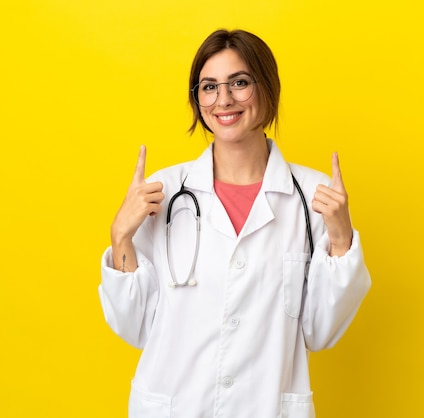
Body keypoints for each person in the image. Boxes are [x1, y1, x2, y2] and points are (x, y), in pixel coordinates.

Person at [99, 29, 371, 418]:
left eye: (239, 83)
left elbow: (320, 332)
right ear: (197, 100)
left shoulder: (314, 197)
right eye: (209, 87)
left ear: (267, 89)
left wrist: (341, 240)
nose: (223, 100)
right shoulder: (165, 193)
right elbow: (135, 327)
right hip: (175, 406)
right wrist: (121, 235)